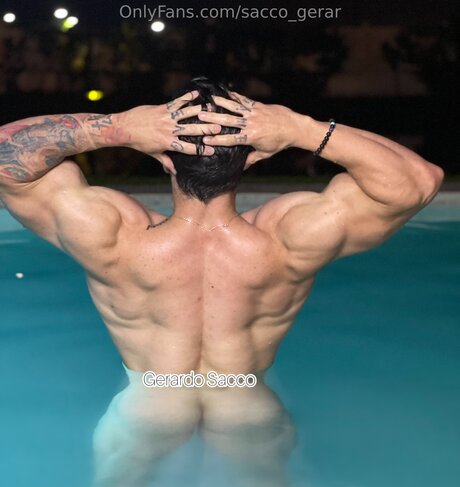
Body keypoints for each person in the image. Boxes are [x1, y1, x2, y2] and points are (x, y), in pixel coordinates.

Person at [0, 77, 443, 379]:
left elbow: (7, 158)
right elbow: (419, 182)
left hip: (154, 400)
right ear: (252, 158)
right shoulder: (291, 238)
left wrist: (117, 128)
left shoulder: (108, 234)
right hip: (242, 399)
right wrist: (299, 129)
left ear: (164, 159)